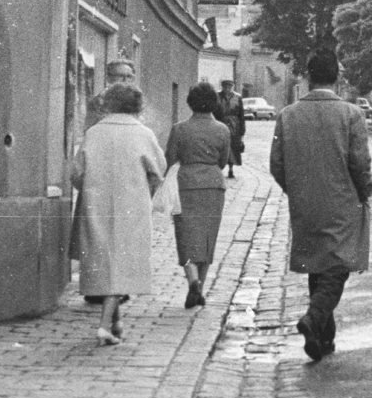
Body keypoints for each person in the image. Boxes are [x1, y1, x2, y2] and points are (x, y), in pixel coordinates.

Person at [271, 52, 372, 363]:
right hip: (341, 201)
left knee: (318, 264)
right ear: (337, 79)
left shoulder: (287, 115)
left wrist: (296, 189)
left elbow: (276, 164)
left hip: (304, 202)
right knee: (337, 267)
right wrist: (364, 191)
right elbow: (360, 162)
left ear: (308, 78)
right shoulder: (351, 114)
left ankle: (324, 339)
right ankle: (313, 319)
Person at [70, 83, 165, 346]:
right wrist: (146, 191)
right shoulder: (143, 134)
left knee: (107, 263)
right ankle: (103, 327)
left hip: (97, 204)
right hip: (131, 206)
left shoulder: (94, 133)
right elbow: (159, 170)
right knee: (121, 264)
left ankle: (117, 323)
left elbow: (76, 173)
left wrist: (89, 189)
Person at [165, 82, 233, 308]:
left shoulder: (179, 129)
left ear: (191, 102)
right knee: (207, 238)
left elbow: (170, 157)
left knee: (185, 236)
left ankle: (192, 281)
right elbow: (223, 161)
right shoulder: (223, 129)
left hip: (186, 184)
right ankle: (200, 289)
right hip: (213, 186)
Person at [82, 58, 137, 133]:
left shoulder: (138, 101)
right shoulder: (98, 103)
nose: (125, 80)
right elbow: (90, 130)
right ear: (109, 78)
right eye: (120, 76)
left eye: (129, 76)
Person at [217, 79, 246, 177]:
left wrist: (242, 130)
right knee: (220, 146)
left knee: (233, 147)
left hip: (234, 125)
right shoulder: (217, 97)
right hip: (221, 123)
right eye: (225, 87)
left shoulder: (238, 97)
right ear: (223, 87)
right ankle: (218, 169)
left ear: (232, 87)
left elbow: (241, 115)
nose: (228, 89)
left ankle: (231, 169)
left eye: (230, 87)